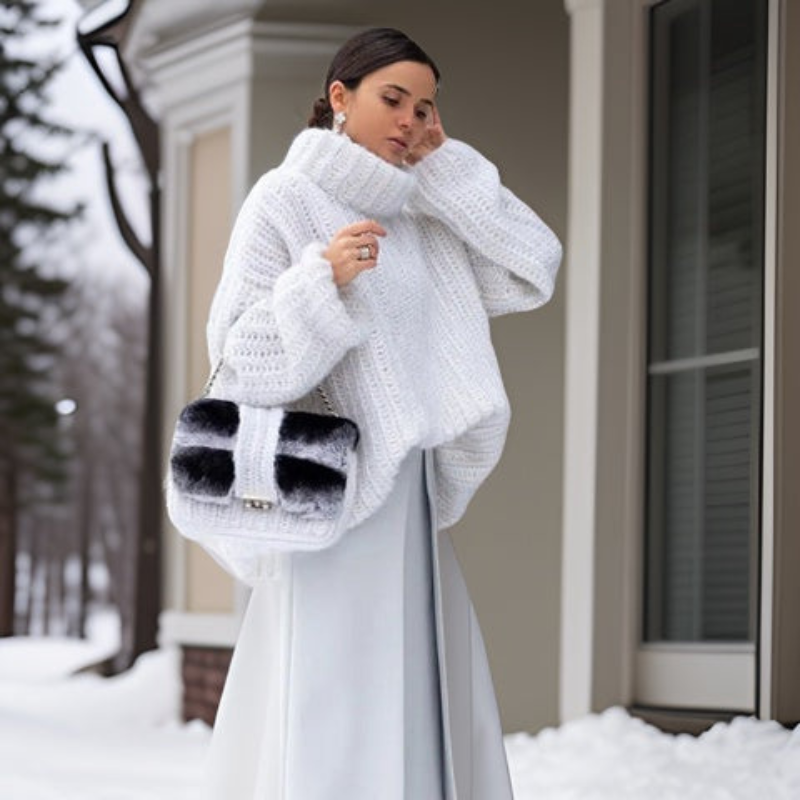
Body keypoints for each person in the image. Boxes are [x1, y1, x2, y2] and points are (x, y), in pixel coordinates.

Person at [200, 26, 562, 800]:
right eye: (393, 99)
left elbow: (533, 267)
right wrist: (318, 281)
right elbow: (237, 360)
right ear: (340, 98)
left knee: (416, 685)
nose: (409, 120)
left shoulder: (425, 215)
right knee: (330, 690)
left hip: (411, 492)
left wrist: (447, 169)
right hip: (324, 489)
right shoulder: (284, 199)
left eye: (425, 108)